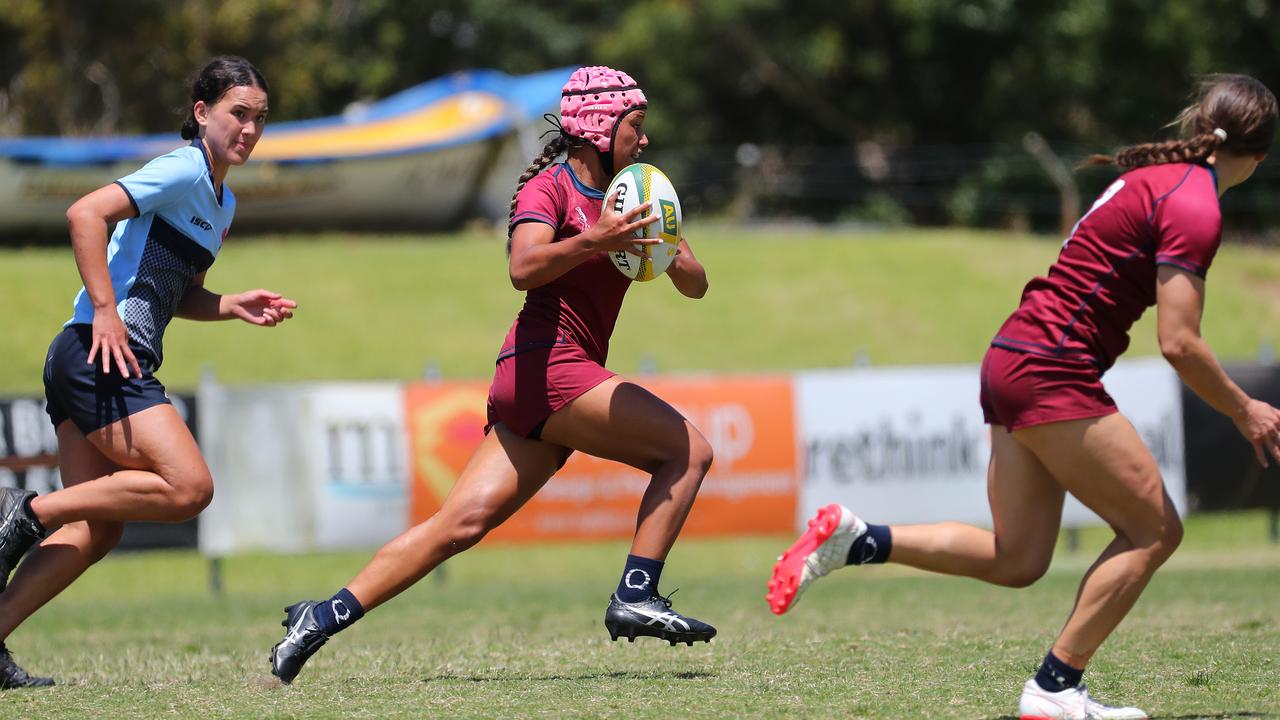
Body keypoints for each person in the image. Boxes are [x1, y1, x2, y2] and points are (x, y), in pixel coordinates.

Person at [766, 74, 1280, 720]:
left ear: (1197, 124)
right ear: (1258, 159)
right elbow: (1178, 342)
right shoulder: (1197, 204)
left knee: (1019, 557)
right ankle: (1056, 686)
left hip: (1012, 356)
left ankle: (859, 539)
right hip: (1050, 368)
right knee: (1153, 529)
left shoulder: (1155, 178)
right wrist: (1246, 407)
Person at [269, 66, 715, 685]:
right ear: (598, 127)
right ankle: (636, 593)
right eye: (634, 128)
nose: (644, 141)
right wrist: (596, 240)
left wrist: (664, 251)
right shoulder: (551, 192)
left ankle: (319, 618)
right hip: (550, 366)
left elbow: (697, 285)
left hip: (538, 382)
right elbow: (523, 266)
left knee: (456, 527)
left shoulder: (632, 195)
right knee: (689, 451)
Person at [0, 56, 293, 689]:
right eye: (237, 114)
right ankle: (23, 512)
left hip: (91, 357)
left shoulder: (222, 201)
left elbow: (171, 292)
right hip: (98, 353)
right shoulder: (185, 166)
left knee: (95, 530)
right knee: (189, 488)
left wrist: (230, 305)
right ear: (202, 113)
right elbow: (85, 213)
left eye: (260, 119)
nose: (249, 129)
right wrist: (104, 310)